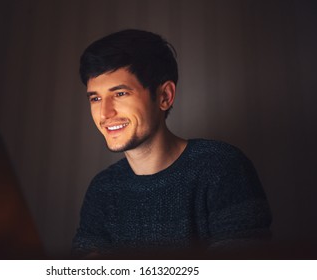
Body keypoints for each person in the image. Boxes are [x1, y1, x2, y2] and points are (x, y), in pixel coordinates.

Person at [72, 29, 271, 258]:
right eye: (96, 98)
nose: (104, 113)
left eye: (120, 94)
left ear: (165, 96)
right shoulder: (103, 189)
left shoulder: (222, 167)